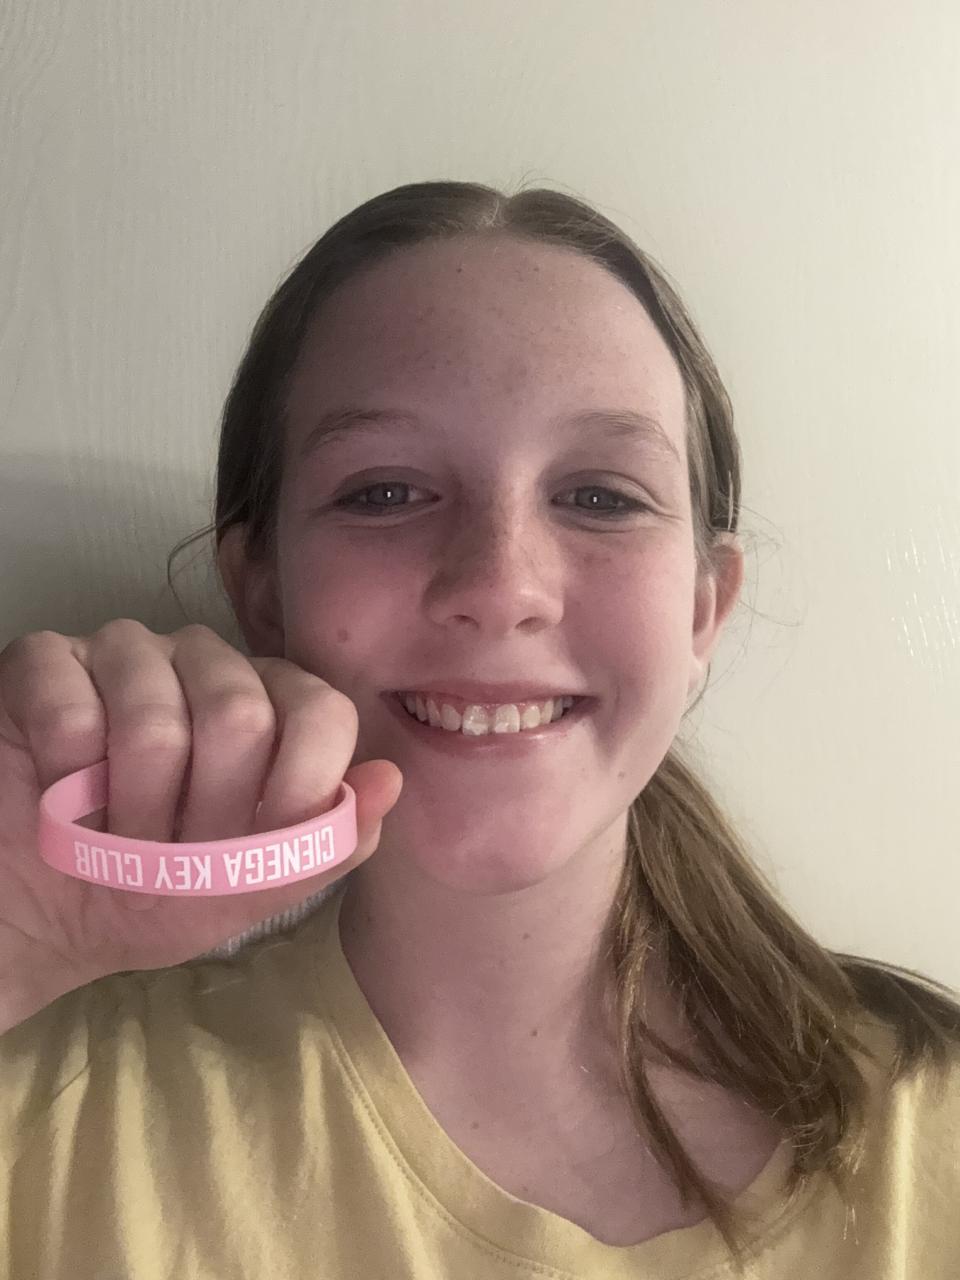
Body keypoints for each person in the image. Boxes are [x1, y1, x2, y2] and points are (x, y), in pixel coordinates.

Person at [1, 180, 958, 1280]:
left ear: (704, 610)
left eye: (602, 497)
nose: (501, 585)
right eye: (385, 492)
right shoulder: (52, 1110)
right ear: (262, 592)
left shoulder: (933, 1124)